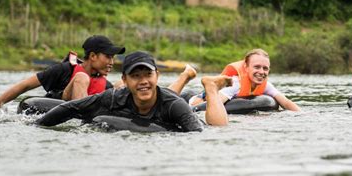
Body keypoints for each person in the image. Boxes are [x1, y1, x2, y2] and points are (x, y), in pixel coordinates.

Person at [36, 51, 231, 131]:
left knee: (217, 128)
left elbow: (200, 135)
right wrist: (38, 126)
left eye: (148, 75)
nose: (143, 81)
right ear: (124, 80)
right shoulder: (111, 98)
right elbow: (70, 108)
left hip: (184, 118)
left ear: (157, 76)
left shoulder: (174, 105)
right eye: (136, 76)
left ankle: (211, 89)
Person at [0, 35, 125, 108]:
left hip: (86, 119)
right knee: (81, 77)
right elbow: (25, 85)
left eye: (113, 58)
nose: (112, 62)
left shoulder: (105, 85)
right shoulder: (64, 69)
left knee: (120, 85)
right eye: (108, 57)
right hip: (50, 109)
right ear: (92, 56)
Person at [189, 49, 300, 111]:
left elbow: (285, 102)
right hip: (198, 100)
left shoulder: (266, 85)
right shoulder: (235, 84)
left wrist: (302, 114)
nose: (261, 72)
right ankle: (186, 75)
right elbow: (215, 103)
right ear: (246, 67)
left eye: (265, 68)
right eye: (257, 67)